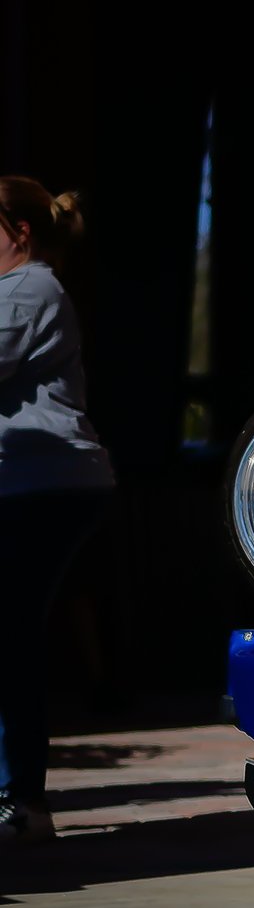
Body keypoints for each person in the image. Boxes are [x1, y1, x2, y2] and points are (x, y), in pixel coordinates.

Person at [0, 177, 115, 846]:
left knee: (10, 629)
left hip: (44, 484)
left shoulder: (29, 287)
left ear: (17, 232)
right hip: (35, 482)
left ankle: (22, 799)